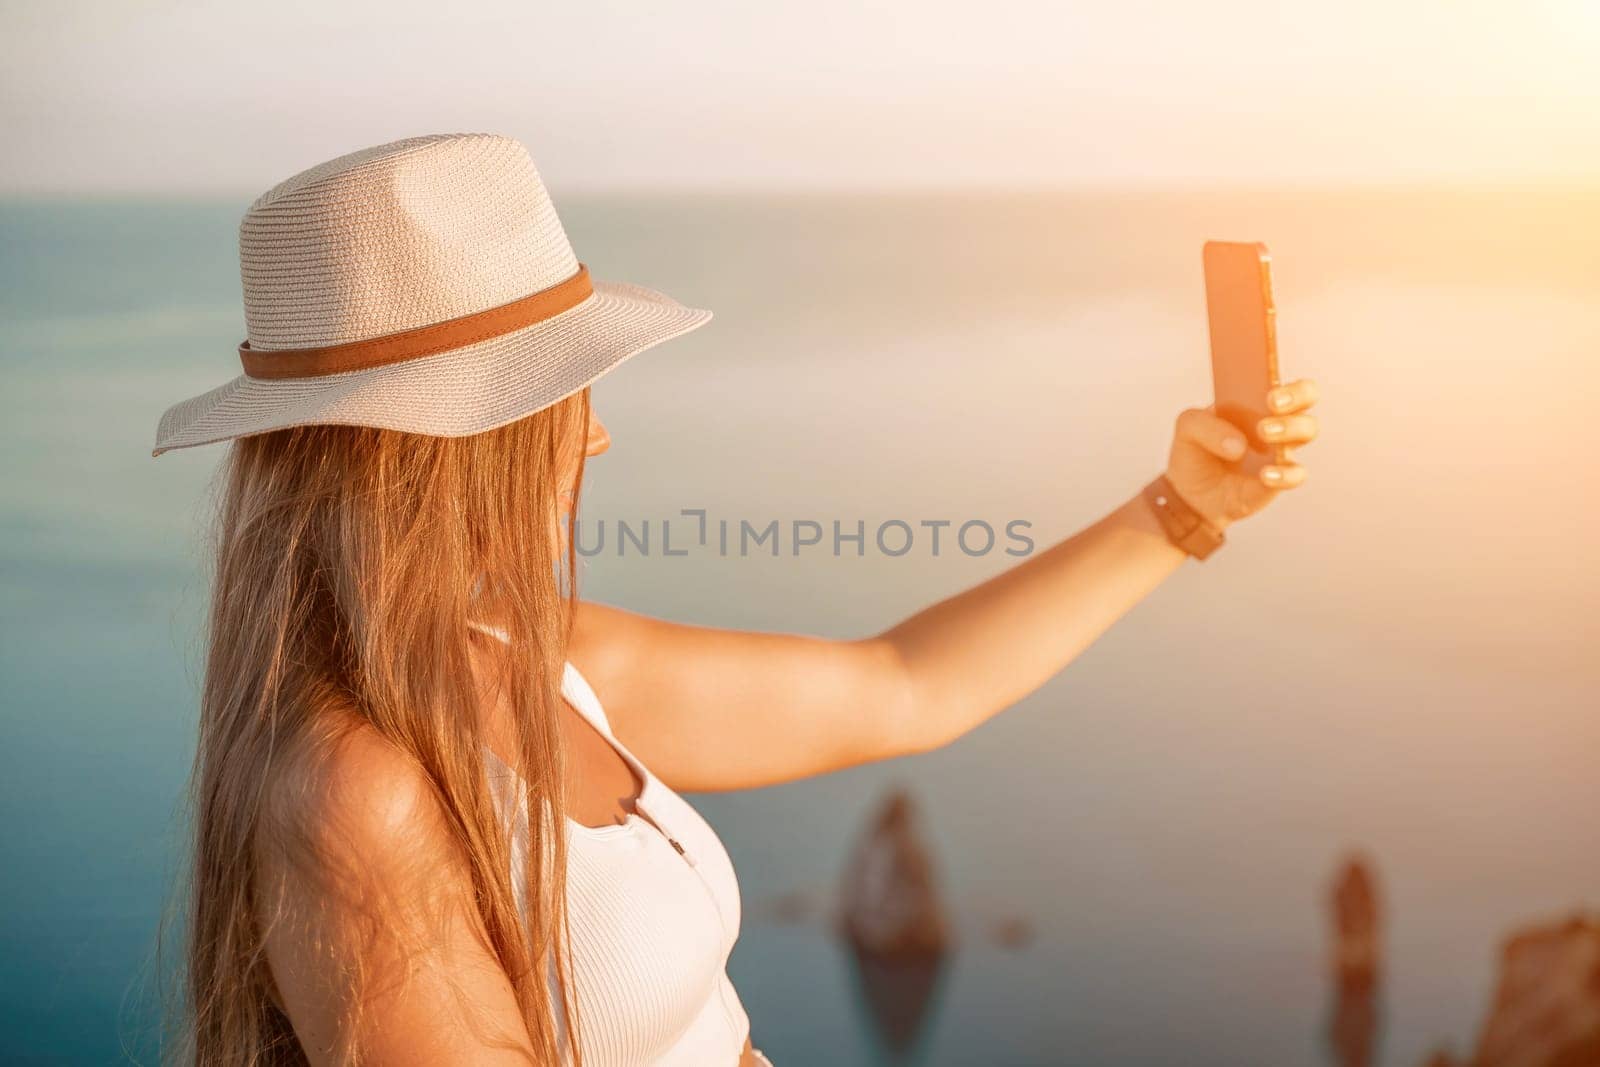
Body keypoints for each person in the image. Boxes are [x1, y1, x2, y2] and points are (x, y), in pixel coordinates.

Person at [152, 134, 1319, 1067]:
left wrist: (1181, 507)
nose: (598, 433)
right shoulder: (361, 788)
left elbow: (904, 686)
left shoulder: (536, 651)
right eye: (565, 396)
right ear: (463, 443)